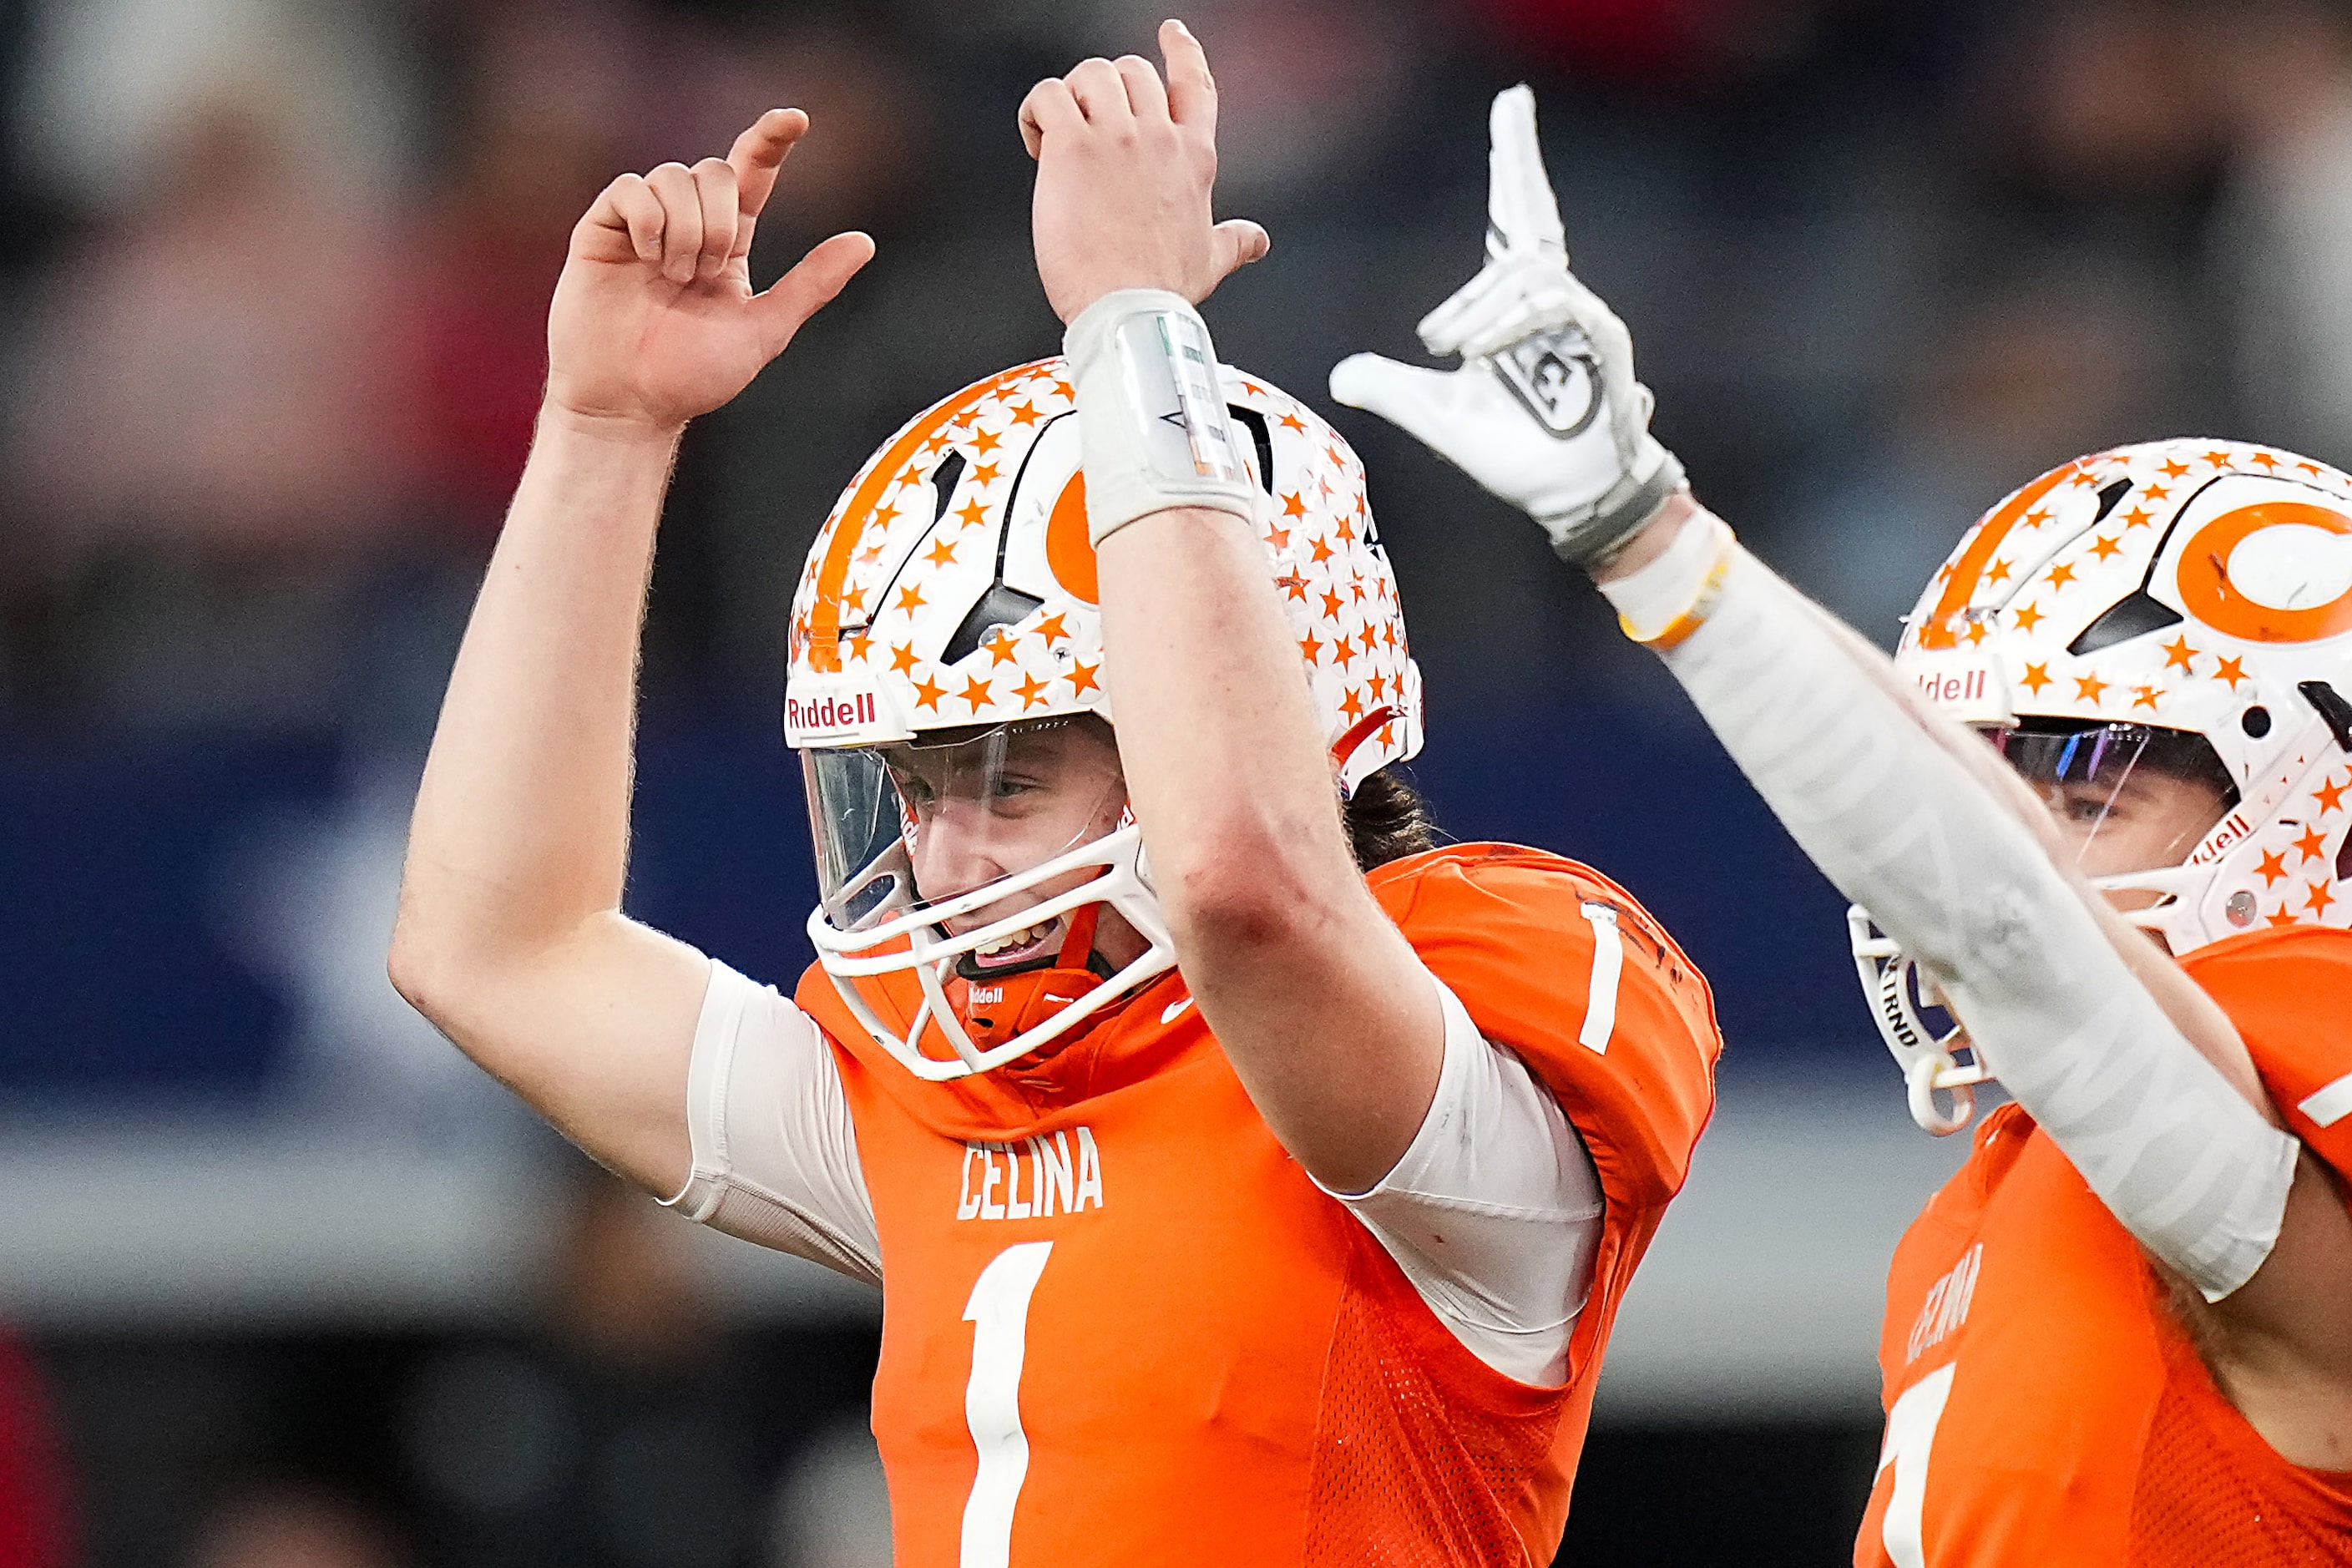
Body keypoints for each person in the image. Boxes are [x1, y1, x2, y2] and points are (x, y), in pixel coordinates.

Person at [389, 23, 1723, 1566]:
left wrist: (1134, 320)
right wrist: (604, 434)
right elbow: (493, 946)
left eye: (1011, 775)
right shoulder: (951, 1086)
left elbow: (1250, 894)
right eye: (918, 786)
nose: (945, 861)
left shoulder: (1453, 1087)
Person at [1335, 84, 2352, 1566]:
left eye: (2080, 790)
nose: (2007, 836)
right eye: (1987, 780)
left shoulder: (2268, 1231)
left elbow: (2011, 931)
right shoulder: (1980, 1218)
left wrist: (1645, 532)